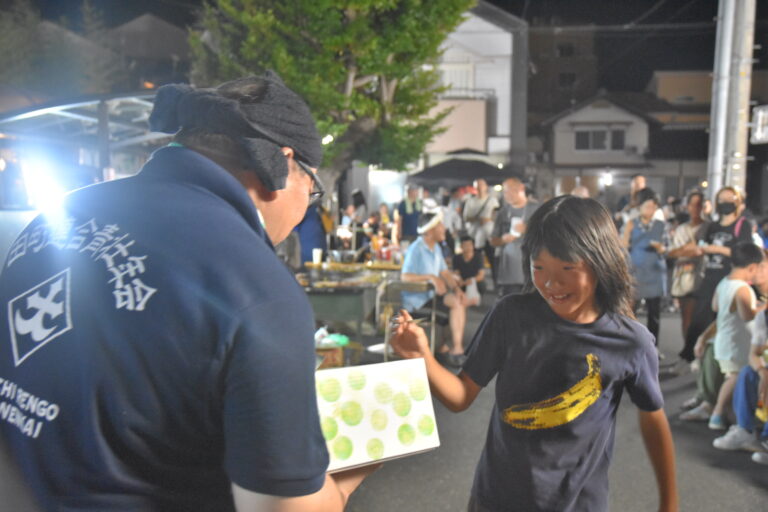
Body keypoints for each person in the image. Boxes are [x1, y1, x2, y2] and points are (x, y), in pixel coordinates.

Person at [0, 73, 374, 510]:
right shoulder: (258, 290)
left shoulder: (60, 215)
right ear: (282, 163)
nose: (302, 211)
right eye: (312, 192)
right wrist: (353, 474)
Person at [391, 196, 677, 512]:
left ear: (601, 262)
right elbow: (460, 396)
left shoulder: (630, 342)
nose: (551, 283)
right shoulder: (510, 316)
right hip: (495, 499)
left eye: (568, 269)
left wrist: (669, 503)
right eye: (538, 268)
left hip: (579, 505)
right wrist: (421, 358)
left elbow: (653, 417)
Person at [679, 186, 754, 366]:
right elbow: (701, 245)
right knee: (699, 319)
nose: (725, 203)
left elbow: (743, 253)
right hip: (710, 276)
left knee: (726, 321)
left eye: (729, 199)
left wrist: (717, 249)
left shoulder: (742, 225)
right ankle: (690, 356)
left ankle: (724, 361)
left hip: (730, 279)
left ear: (737, 203)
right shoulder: (712, 226)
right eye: (721, 200)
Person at [711, 255, 768, 462]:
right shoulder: (761, 310)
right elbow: (754, 352)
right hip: (737, 347)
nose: (758, 271)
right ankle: (744, 430)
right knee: (746, 373)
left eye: (763, 267)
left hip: (731, 344)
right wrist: (763, 372)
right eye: (758, 266)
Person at [400, 211, 470, 367]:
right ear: (430, 231)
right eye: (440, 225)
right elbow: (405, 277)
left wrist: (457, 289)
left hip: (431, 297)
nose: (444, 228)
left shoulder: (436, 248)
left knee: (458, 301)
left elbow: (444, 272)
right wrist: (431, 277)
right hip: (417, 302)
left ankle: (456, 349)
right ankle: (442, 348)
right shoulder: (416, 249)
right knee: (452, 307)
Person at [664, 191, 707, 374]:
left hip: (703, 277)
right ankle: (688, 353)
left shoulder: (709, 227)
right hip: (684, 278)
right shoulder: (682, 228)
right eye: (692, 204)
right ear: (687, 206)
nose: (695, 208)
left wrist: (689, 250)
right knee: (686, 318)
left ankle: (696, 355)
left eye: (699, 204)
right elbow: (672, 252)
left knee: (701, 320)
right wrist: (692, 250)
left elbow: (700, 252)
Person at [621, 188, 667, 349]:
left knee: (654, 313)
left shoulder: (661, 225)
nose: (650, 210)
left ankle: (653, 347)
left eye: (653, 207)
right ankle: (632, 344)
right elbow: (623, 246)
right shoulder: (631, 224)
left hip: (654, 271)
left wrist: (661, 248)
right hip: (636, 269)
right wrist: (627, 236)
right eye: (647, 206)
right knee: (630, 310)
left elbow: (667, 247)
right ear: (639, 207)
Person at [489, 175, 539, 297]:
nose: (506, 194)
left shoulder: (537, 209)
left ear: (521, 188)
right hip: (509, 273)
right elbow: (493, 240)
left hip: (533, 271)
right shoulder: (503, 212)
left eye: (509, 190)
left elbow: (549, 234)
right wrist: (502, 240)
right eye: (504, 191)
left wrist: (527, 229)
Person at [462, 179, 498, 280]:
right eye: (478, 186)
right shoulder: (470, 201)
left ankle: (496, 284)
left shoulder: (492, 201)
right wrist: (477, 219)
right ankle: (473, 282)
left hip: (489, 235)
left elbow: (497, 215)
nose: (480, 188)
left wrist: (488, 219)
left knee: (492, 260)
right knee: (475, 260)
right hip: (474, 235)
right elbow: (465, 217)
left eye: (482, 185)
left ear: (486, 187)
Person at [452, 234, 486, 307]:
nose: (468, 247)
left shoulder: (479, 256)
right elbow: (456, 273)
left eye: (470, 245)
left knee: (481, 284)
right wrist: (461, 281)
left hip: (474, 281)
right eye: (465, 245)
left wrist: (471, 280)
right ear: (461, 246)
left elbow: (481, 275)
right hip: (462, 282)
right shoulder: (456, 258)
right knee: (454, 283)